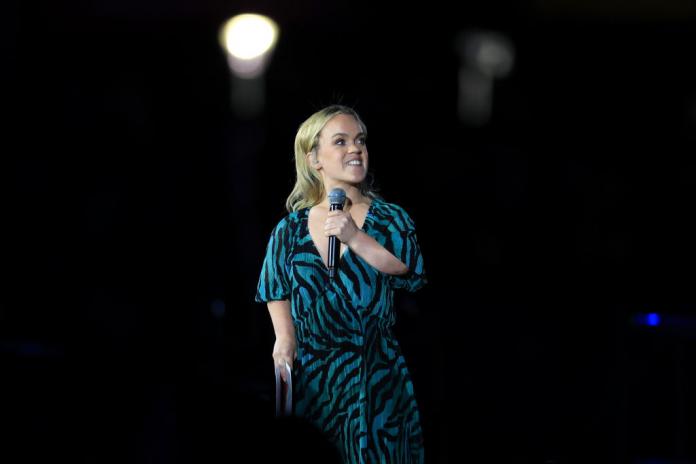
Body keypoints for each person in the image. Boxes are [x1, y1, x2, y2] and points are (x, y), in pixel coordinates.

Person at [255, 104, 427, 463]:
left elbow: (405, 267)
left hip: (375, 378)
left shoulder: (389, 217)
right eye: (341, 141)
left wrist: (354, 236)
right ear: (314, 158)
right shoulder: (289, 229)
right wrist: (285, 341)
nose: (355, 149)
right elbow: (276, 288)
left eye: (360, 140)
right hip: (314, 383)